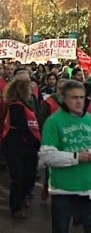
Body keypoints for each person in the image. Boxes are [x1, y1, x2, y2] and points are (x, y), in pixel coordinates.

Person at [39, 80, 91, 233]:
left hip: (89, 186)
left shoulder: (90, 120)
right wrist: (76, 157)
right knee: (61, 229)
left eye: (82, 97)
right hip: (63, 189)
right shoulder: (53, 122)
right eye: (74, 98)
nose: (79, 101)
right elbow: (46, 156)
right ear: (64, 99)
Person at [1, 79, 41, 219]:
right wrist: (36, 142)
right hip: (16, 146)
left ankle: (21, 198)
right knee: (18, 177)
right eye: (29, 89)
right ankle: (15, 206)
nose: (31, 92)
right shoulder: (16, 106)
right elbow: (23, 128)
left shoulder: (24, 105)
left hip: (24, 146)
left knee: (27, 175)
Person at [38, 78, 68, 201]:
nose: (62, 91)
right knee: (51, 164)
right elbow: (42, 121)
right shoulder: (48, 103)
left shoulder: (72, 102)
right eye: (60, 88)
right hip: (53, 139)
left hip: (68, 139)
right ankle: (47, 185)